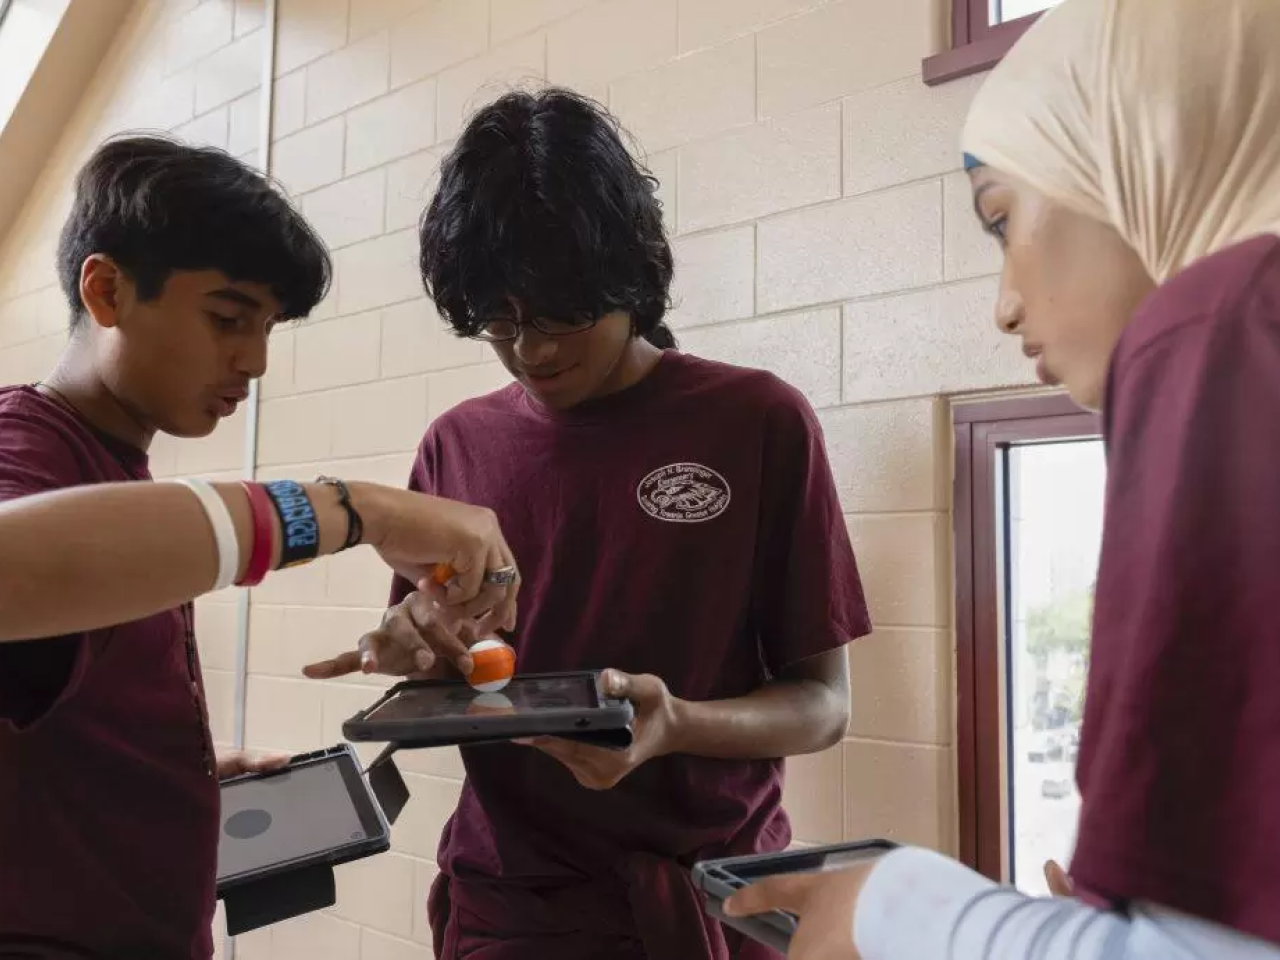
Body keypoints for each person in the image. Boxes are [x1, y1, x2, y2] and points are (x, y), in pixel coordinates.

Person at [723, 0, 1280, 957]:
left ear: (1144, 143)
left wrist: (901, 911)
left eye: (1001, 220)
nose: (1005, 305)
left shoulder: (1222, 328)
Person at [306, 89, 871, 959]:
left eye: (560, 315)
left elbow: (822, 706)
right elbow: (439, 674)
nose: (531, 350)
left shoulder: (757, 421)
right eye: (499, 323)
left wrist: (677, 724)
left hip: (715, 898)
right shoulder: (456, 445)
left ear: (627, 276)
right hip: (515, 909)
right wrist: (412, 649)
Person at [0, 133, 509, 960]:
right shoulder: (24, 451)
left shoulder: (115, 475)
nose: (255, 360)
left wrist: (166, 783)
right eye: (228, 318)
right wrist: (360, 510)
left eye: (267, 328)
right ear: (106, 290)